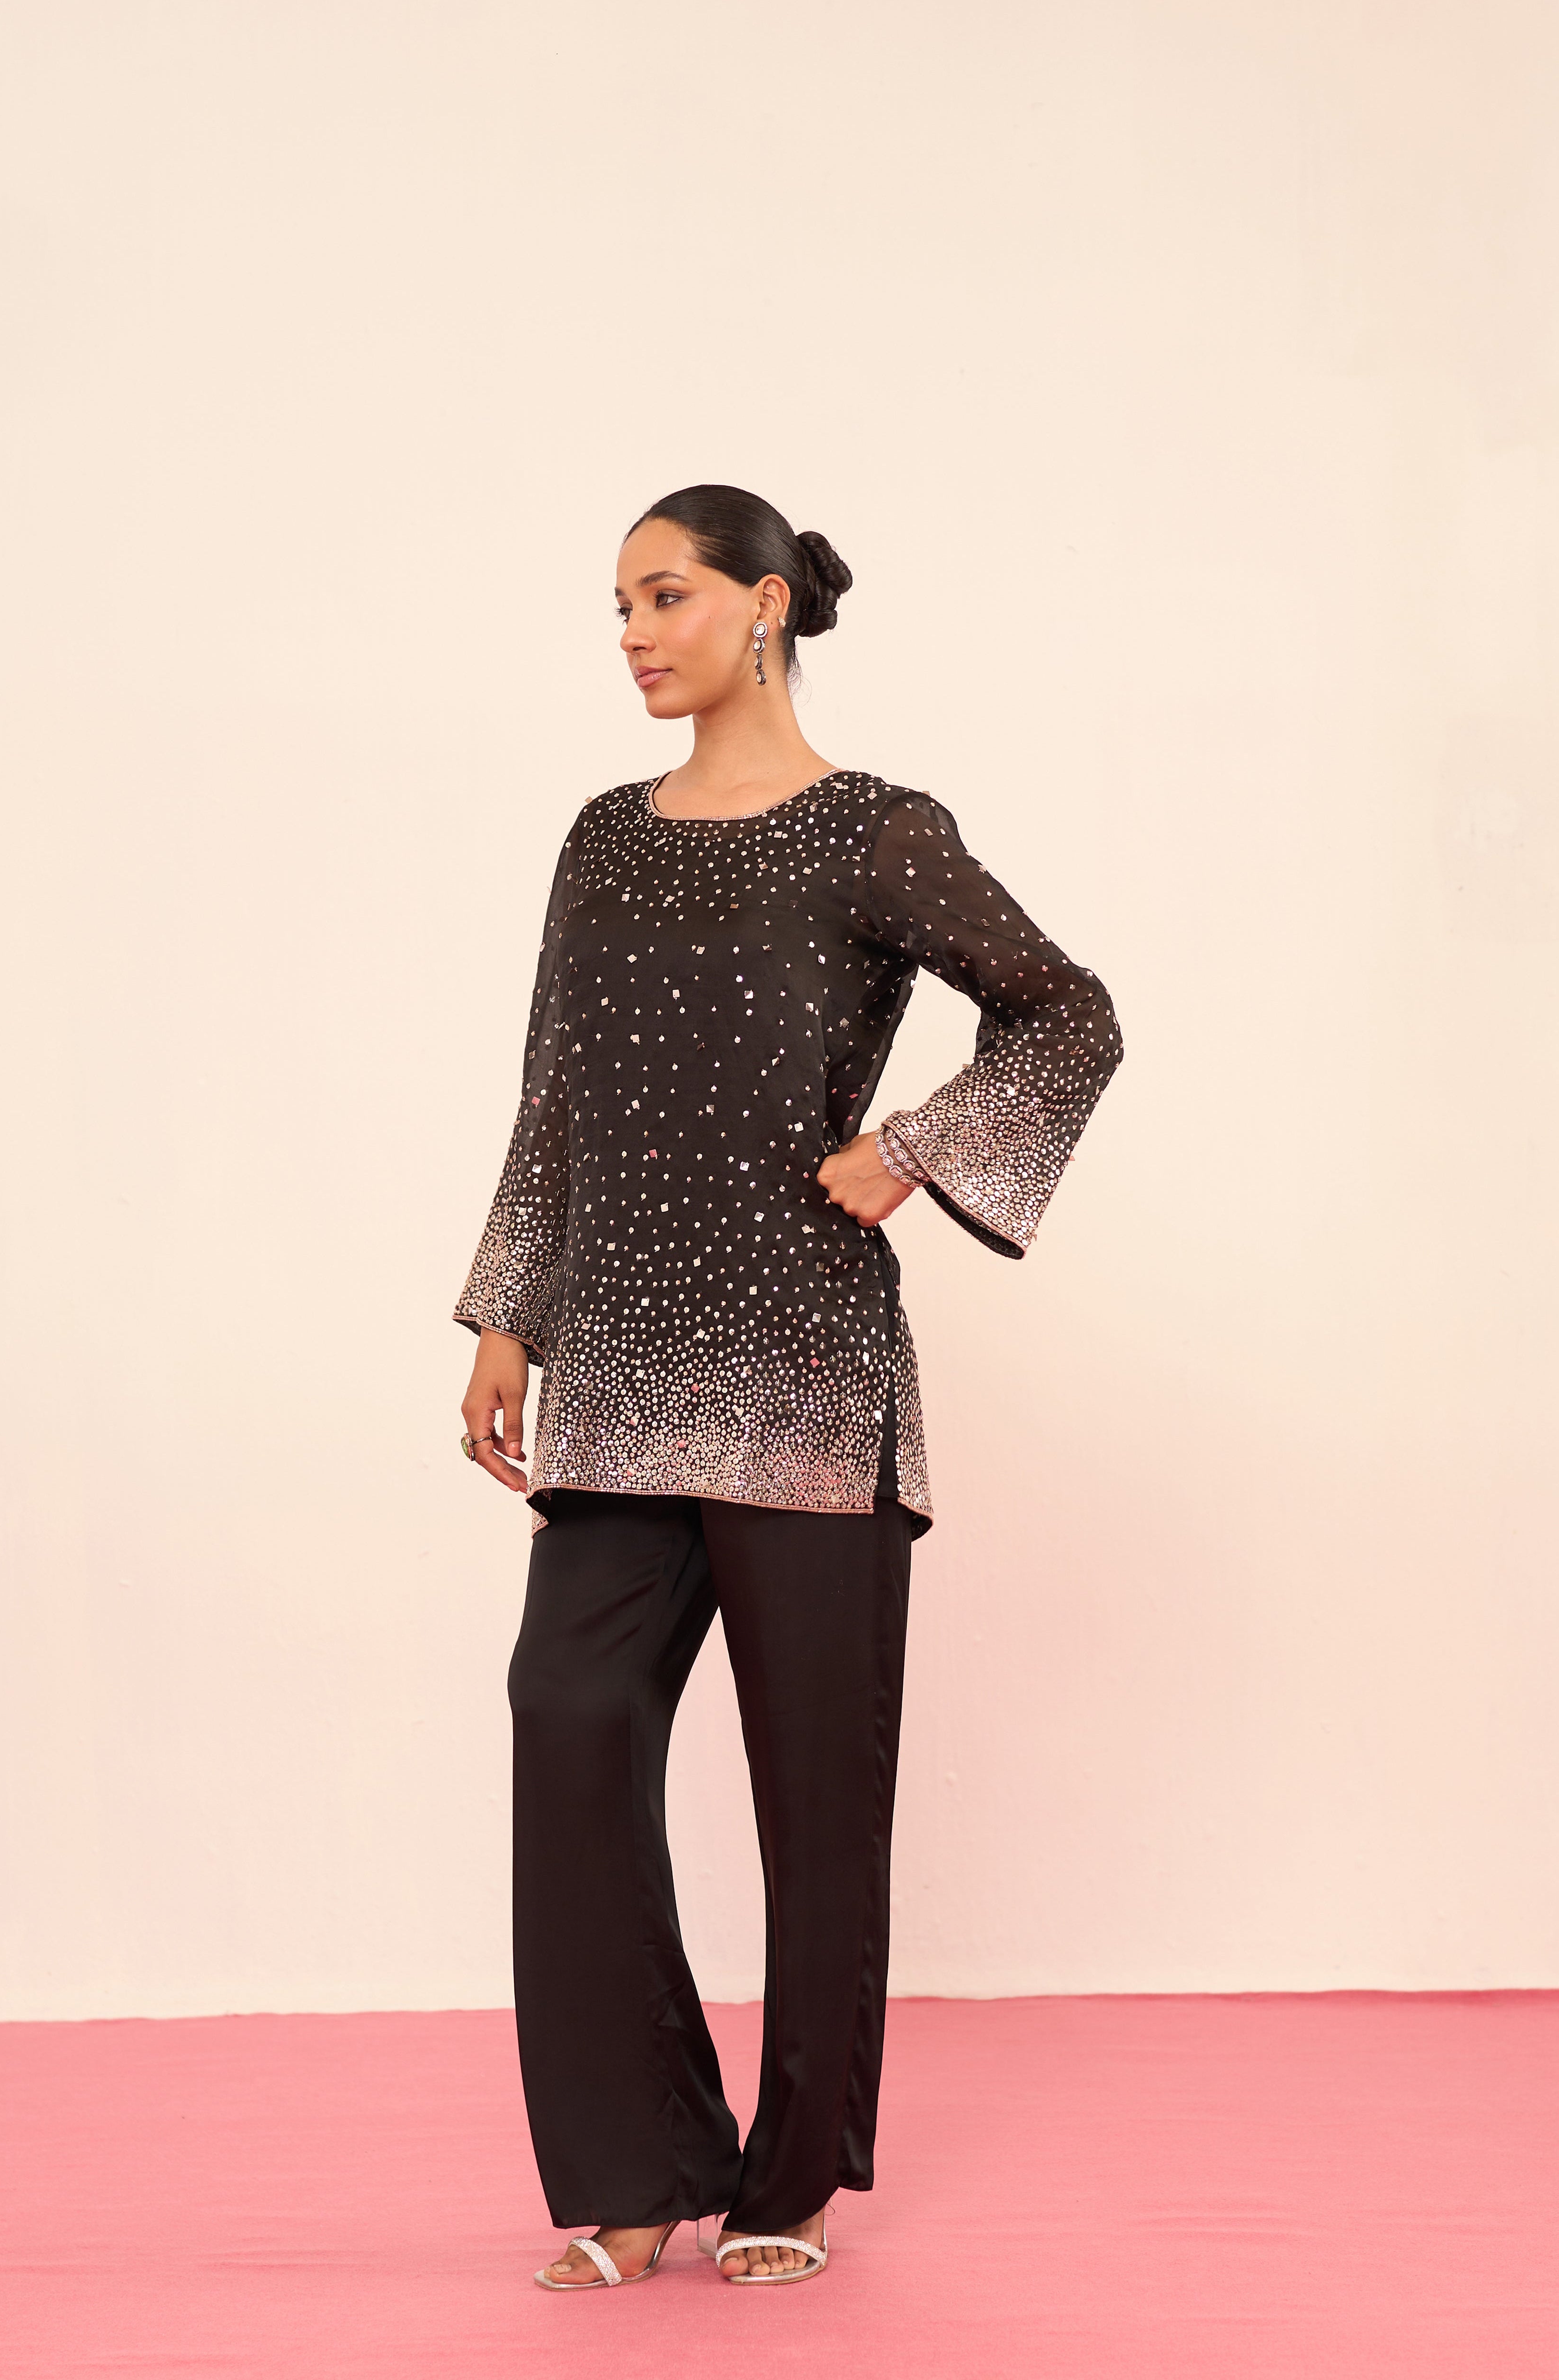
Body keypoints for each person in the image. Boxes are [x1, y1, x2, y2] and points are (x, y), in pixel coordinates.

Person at [453, 484, 1122, 2291]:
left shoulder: (874, 832)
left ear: (763, 607)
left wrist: (911, 1148)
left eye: (663, 596)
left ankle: (793, 2174)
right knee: (567, 1717)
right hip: (620, 1369)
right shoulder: (602, 838)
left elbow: (1071, 1010)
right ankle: (636, 2164)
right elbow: (553, 1091)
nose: (632, 633)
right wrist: (507, 1312)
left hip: (807, 1382)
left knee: (814, 1799)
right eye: (616, 605)